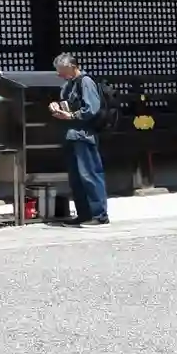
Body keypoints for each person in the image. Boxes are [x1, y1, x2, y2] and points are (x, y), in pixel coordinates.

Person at [47, 53, 108, 226]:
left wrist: (72, 115)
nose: (59, 74)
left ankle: (99, 215)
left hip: (84, 134)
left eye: (61, 70)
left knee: (90, 175)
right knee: (76, 178)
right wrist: (55, 106)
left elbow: (92, 108)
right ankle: (84, 214)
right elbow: (65, 103)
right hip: (70, 135)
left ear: (72, 67)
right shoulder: (68, 84)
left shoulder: (85, 82)